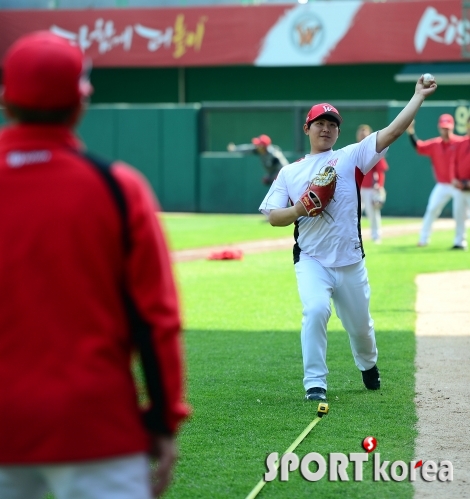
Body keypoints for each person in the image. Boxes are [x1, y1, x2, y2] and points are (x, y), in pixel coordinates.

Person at [0, 32, 189, 499]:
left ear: (6, 98)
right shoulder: (118, 188)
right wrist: (163, 421)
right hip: (96, 428)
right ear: (81, 102)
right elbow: (157, 320)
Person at [259, 77, 437, 402]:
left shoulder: (351, 156)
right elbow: (272, 216)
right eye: (319, 123)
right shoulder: (290, 172)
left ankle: (368, 365)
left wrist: (418, 97)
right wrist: (301, 208)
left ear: (338, 132)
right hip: (312, 259)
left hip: (350, 261)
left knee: (361, 329)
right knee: (314, 311)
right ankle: (315, 383)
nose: (325, 128)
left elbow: (394, 131)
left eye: (331, 124)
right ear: (306, 128)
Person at [406, 114, 466, 249]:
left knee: (460, 214)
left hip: (458, 185)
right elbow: (419, 147)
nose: (446, 131)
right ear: (439, 128)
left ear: (453, 127)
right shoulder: (435, 144)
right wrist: (411, 132)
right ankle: (423, 239)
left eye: (448, 128)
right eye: (443, 128)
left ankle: (459, 242)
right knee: (432, 209)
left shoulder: (460, 142)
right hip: (442, 185)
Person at [357, 124, 389, 244]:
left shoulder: (374, 150)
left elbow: (380, 171)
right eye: (361, 133)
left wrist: (379, 185)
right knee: (354, 213)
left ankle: (376, 235)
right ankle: (354, 237)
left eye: (365, 134)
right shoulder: (354, 149)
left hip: (370, 188)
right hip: (356, 188)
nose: (362, 136)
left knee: (373, 213)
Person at [450, 115, 470, 250]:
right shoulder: (461, 143)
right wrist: (453, 179)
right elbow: (453, 163)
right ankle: (459, 241)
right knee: (459, 216)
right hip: (460, 186)